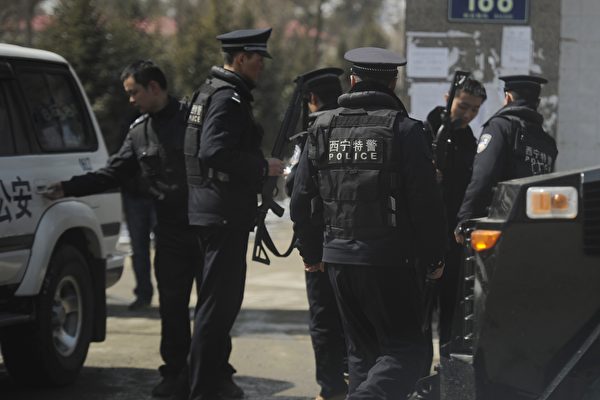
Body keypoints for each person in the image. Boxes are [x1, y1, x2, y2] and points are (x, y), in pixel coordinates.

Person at [290, 47, 447, 400]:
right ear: (394, 82)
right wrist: (435, 258)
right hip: (390, 261)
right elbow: (426, 204)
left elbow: (302, 200)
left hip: (338, 261)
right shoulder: (406, 130)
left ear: (352, 80)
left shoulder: (321, 128)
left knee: (362, 355)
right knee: (406, 352)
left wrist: (311, 252)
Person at [45, 60, 203, 398]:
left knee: (211, 309)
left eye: (134, 93)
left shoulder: (196, 121)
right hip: (171, 233)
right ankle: (175, 373)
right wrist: (67, 187)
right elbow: (113, 172)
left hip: (207, 230)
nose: (131, 100)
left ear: (154, 88)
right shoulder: (139, 131)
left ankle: (214, 371)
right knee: (173, 307)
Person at [182, 28, 284, 400]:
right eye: (258, 60)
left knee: (217, 302)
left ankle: (215, 377)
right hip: (222, 211)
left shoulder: (211, 91)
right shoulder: (228, 98)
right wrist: (262, 167)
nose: (261, 67)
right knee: (217, 305)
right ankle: (205, 388)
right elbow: (213, 151)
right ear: (241, 58)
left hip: (211, 209)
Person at [285, 68, 348, 400]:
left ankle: (331, 389)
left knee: (324, 319)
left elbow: (294, 187)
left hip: (321, 246)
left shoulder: (312, 132)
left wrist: (310, 252)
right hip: (356, 243)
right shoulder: (355, 127)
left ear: (311, 99)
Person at [422, 78, 487, 371]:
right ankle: (416, 370)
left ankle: (446, 370)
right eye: (463, 106)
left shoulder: (469, 138)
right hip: (427, 236)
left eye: (474, 110)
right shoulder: (427, 130)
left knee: (452, 310)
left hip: (455, 237)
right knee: (422, 311)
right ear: (449, 98)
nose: (468, 114)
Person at [455, 75, 558, 241]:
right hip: (535, 230)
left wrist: (465, 218)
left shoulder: (499, 127)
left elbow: (483, 176)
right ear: (537, 103)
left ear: (508, 97)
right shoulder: (548, 142)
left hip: (499, 228)